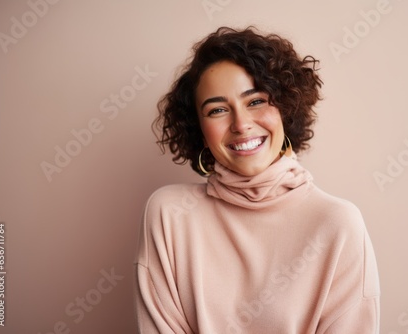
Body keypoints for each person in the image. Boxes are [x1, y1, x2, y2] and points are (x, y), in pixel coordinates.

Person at [135, 26, 380, 334]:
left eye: (256, 101)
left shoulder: (338, 223)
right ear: (198, 128)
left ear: (286, 108)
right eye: (218, 110)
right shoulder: (169, 213)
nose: (241, 124)